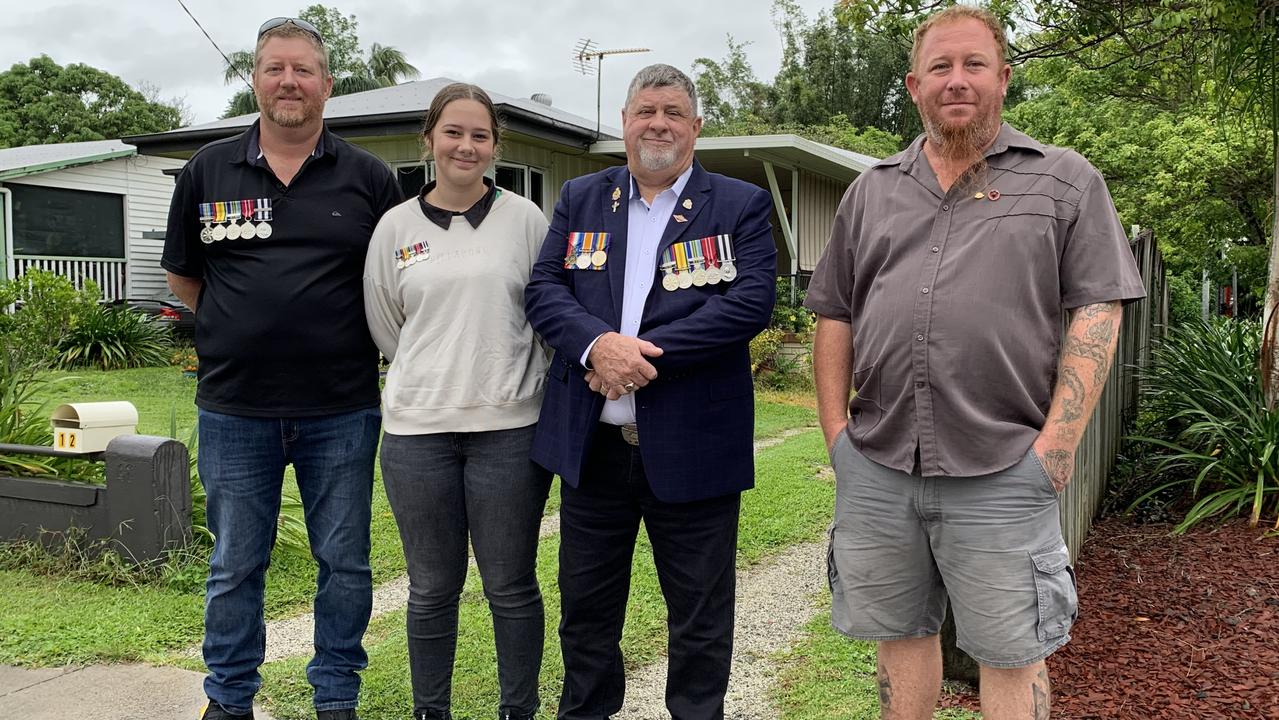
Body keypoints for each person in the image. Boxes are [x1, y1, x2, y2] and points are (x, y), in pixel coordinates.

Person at [805, 6, 1146, 719]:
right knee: (898, 638)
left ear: (1003, 79)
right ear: (912, 85)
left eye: (973, 65)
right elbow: (833, 311)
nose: (955, 81)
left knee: (1013, 651)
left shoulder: (1063, 181)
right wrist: (836, 433)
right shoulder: (871, 192)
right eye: (939, 67)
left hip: (1003, 466)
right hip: (880, 463)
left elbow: (1097, 309)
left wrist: (1055, 450)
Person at [163, 16, 403, 720]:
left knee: (345, 563)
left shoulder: (369, 178)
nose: (289, 81)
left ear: (328, 85)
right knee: (235, 565)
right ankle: (229, 701)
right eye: (275, 68)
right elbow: (185, 277)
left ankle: (336, 698)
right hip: (235, 407)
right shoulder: (209, 168)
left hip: (343, 407)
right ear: (256, 80)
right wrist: (247, 325)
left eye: (303, 69)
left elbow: (394, 279)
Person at [524, 63, 776, 720]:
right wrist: (594, 344)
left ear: (694, 127)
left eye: (670, 112)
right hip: (593, 453)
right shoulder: (582, 197)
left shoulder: (737, 203)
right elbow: (543, 289)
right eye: (644, 111)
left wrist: (636, 357)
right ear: (624, 123)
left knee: (698, 620)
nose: (656, 123)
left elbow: (749, 303)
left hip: (694, 450)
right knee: (584, 616)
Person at [363, 83, 552, 720]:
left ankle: (517, 710)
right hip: (417, 433)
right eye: (453, 132)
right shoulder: (395, 226)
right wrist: (435, 370)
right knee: (432, 589)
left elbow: (548, 315)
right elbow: (387, 323)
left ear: (495, 146)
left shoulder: (526, 220)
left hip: (509, 430)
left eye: (479, 135)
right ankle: (430, 710)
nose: (465, 145)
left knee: (510, 585)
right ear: (430, 140)